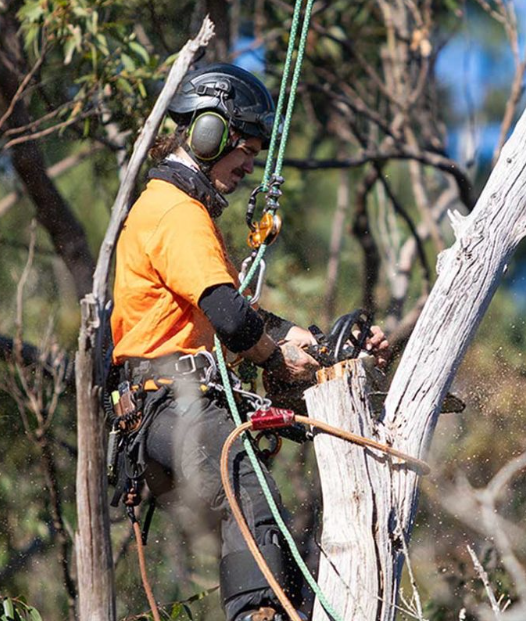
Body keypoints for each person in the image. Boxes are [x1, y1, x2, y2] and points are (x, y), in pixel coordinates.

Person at [109, 63, 388, 621]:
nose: (248, 167)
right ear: (208, 134)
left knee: (284, 525)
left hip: (178, 404)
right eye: (245, 150)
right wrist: (275, 354)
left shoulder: (183, 214)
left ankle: (295, 610)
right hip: (168, 403)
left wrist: (324, 348)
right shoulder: (174, 209)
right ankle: (256, 615)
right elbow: (234, 323)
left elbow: (245, 319)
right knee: (246, 477)